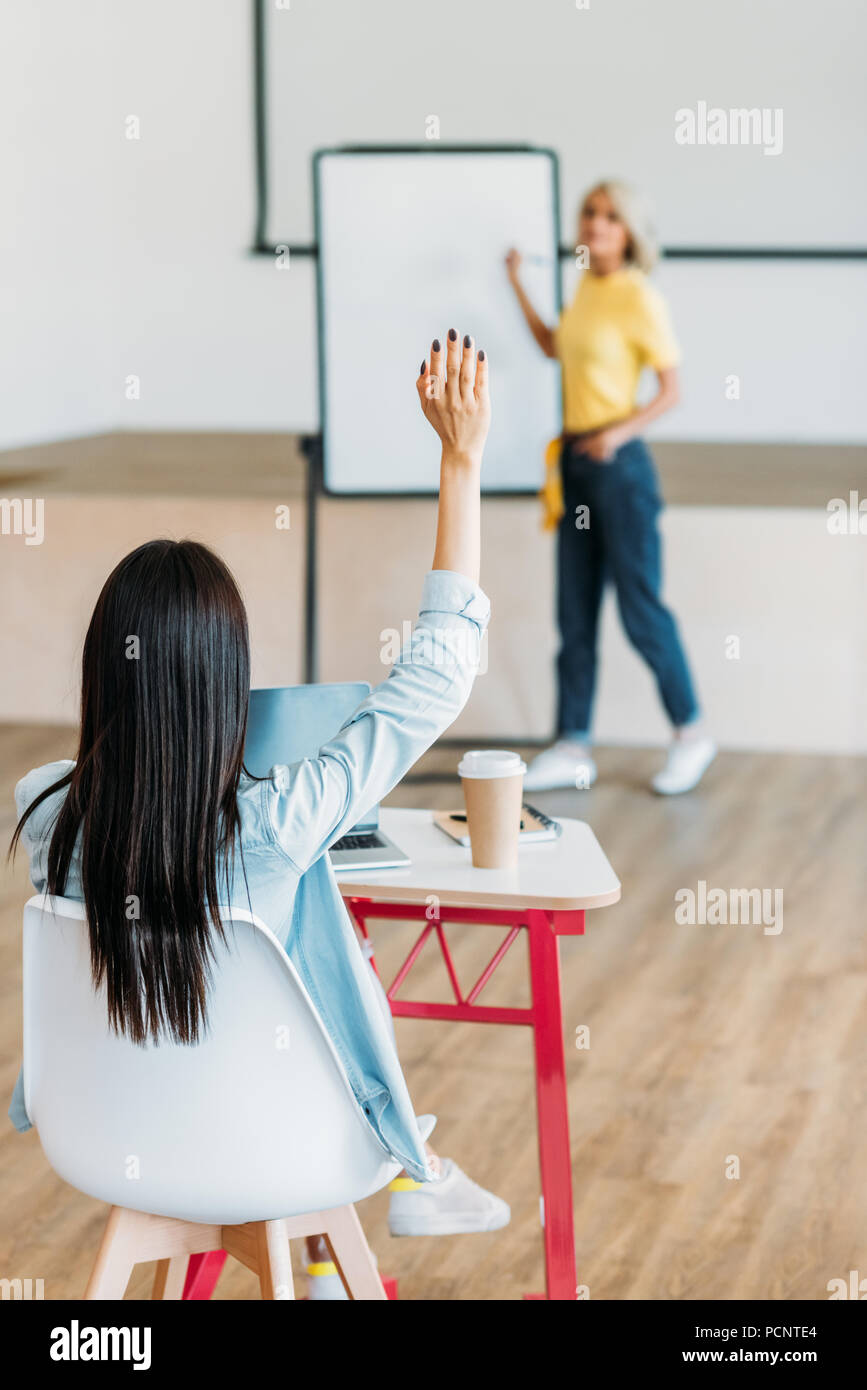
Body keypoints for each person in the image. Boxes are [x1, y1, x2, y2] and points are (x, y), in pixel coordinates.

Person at [9, 328, 509, 1301]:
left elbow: (126, 787)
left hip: (112, 1135)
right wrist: (461, 461)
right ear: (229, 688)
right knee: (312, 914)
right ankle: (405, 1175)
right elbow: (436, 672)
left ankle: (329, 1256)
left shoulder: (40, 813)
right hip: (280, 1144)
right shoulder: (279, 823)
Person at [506, 180, 716, 795]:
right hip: (574, 467)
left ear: (629, 232)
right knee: (574, 613)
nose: (595, 225)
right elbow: (554, 346)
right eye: (589, 213)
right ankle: (573, 745)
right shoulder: (586, 288)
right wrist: (517, 282)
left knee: (640, 610)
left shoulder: (637, 297)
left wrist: (618, 436)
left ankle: (691, 733)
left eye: (610, 217)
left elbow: (671, 390)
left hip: (619, 472)